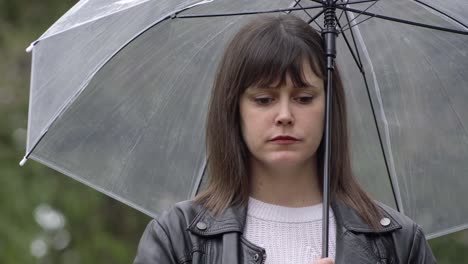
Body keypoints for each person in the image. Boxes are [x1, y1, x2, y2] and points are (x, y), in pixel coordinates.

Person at [134, 14, 436, 264]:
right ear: (234, 109)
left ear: (329, 107)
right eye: (264, 99)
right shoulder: (179, 238)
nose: (284, 115)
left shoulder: (398, 242)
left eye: (304, 98)